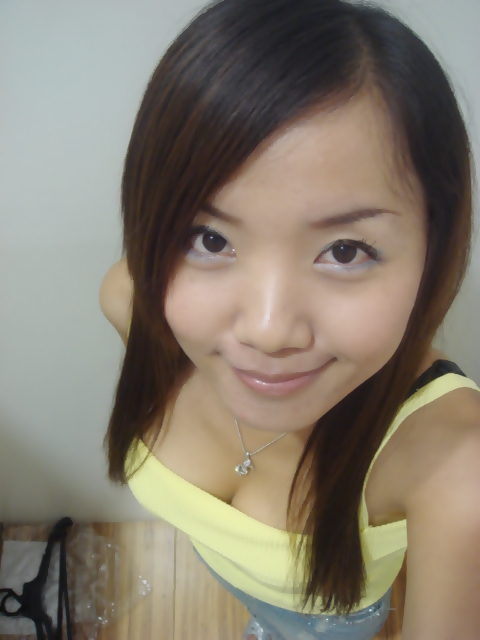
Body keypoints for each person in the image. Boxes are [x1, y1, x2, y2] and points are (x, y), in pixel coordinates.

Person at [99, 1, 480, 638]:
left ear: (432, 248)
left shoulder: (459, 469)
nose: (269, 331)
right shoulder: (130, 300)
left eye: (345, 251)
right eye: (209, 239)